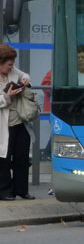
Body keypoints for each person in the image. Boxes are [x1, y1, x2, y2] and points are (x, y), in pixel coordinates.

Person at [0, 43, 35, 200]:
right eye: (9, 64)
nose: (12, 67)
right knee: (4, 158)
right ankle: (5, 191)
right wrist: (7, 96)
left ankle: (21, 189)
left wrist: (26, 79)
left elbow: (25, 75)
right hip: (3, 123)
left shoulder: (13, 71)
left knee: (22, 155)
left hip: (19, 120)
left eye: (13, 63)